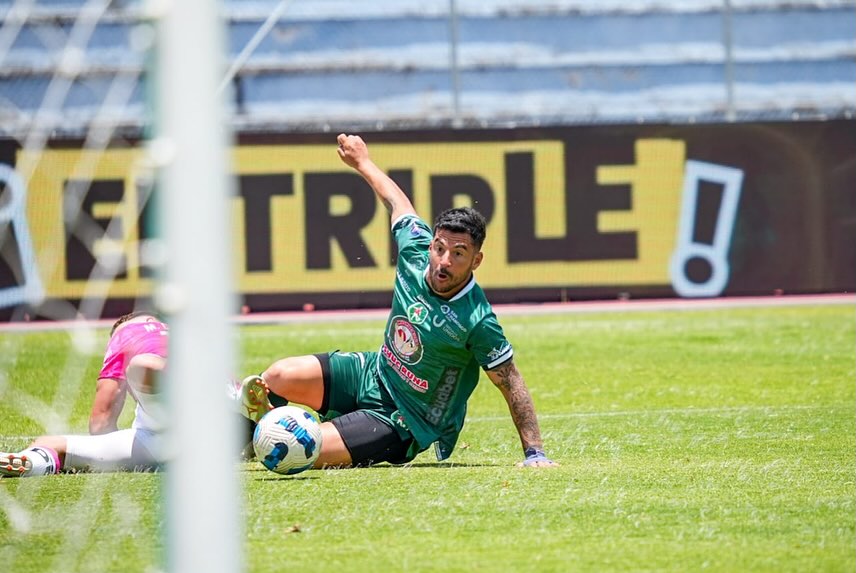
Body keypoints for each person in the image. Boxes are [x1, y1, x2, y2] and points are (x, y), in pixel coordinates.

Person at [238, 133, 558, 469]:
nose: (443, 261)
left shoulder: (476, 319)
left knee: (309, 450)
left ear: (476, 261)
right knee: (275, 376)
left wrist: (534, 452)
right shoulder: (415, 253)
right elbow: (398, 203)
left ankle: (274, 439)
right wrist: (362, 162)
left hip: (405, 419)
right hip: (373, 374)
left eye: (458, 254)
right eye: (439, 248)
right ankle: (243, 439)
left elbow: (510, 380)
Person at [0, 311, 168, 477]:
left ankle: (31, 460)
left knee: (141, 365)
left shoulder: (125, 332)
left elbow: (100, 423)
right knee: (144, 366)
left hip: (154, 440)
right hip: (163, 433)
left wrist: (107, 448)